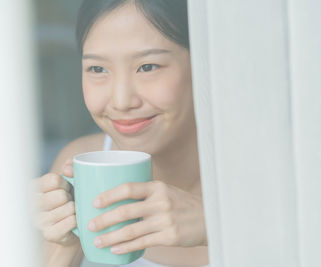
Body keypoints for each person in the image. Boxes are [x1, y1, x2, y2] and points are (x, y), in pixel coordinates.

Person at [33, 0, 209, 266]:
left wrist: (218, 226)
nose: (121, 100)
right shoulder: (77, 163)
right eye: (97, 69)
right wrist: (64, 245)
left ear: (204, 65)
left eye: (148, 67)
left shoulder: (263, 180)